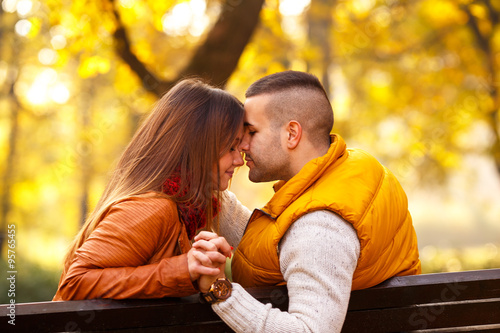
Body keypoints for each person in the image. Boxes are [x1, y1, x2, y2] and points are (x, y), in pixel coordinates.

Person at [192, 70, 421, 332]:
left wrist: (219, 290)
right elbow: (274, 244)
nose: (242, 144)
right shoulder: (345, 170)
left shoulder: (320, 228)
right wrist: (204, 185)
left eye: (252, 131)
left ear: (292, 133)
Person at [53, 78, 241, 300]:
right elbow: (74, 285)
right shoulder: (154, 208)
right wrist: (184, 269)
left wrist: (209, 282)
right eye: (231, 146)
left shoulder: (188, 210)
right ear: (198, 145)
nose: (239, 160)